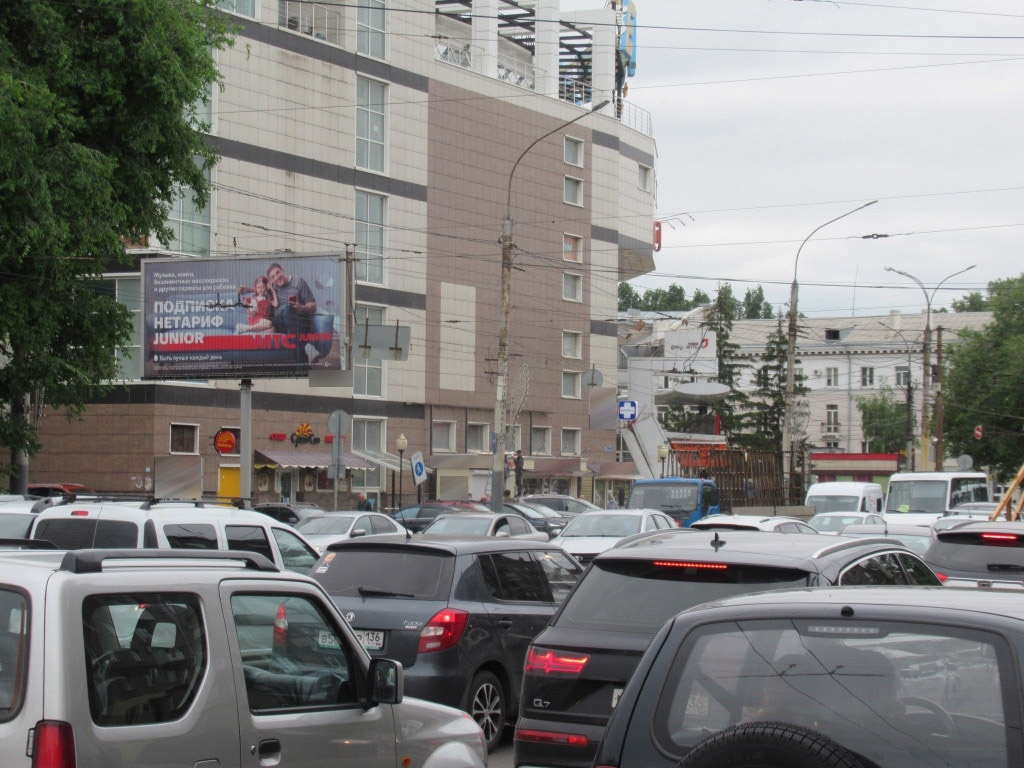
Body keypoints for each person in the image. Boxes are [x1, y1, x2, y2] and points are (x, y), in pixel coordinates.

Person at [265, 262, 319, 364]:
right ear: (271, 280)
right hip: (280, 323)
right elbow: (259, 289)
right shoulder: (273, 288)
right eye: (273, 277)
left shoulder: (298, 282)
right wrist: (246, 289)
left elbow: (313, 305)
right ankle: (307, 346)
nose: (277, 277)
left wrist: (301, 308)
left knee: (292, 333)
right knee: (286, 309)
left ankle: (303, 372)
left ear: (283, 270)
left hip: (297, 320)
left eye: (278, 273)